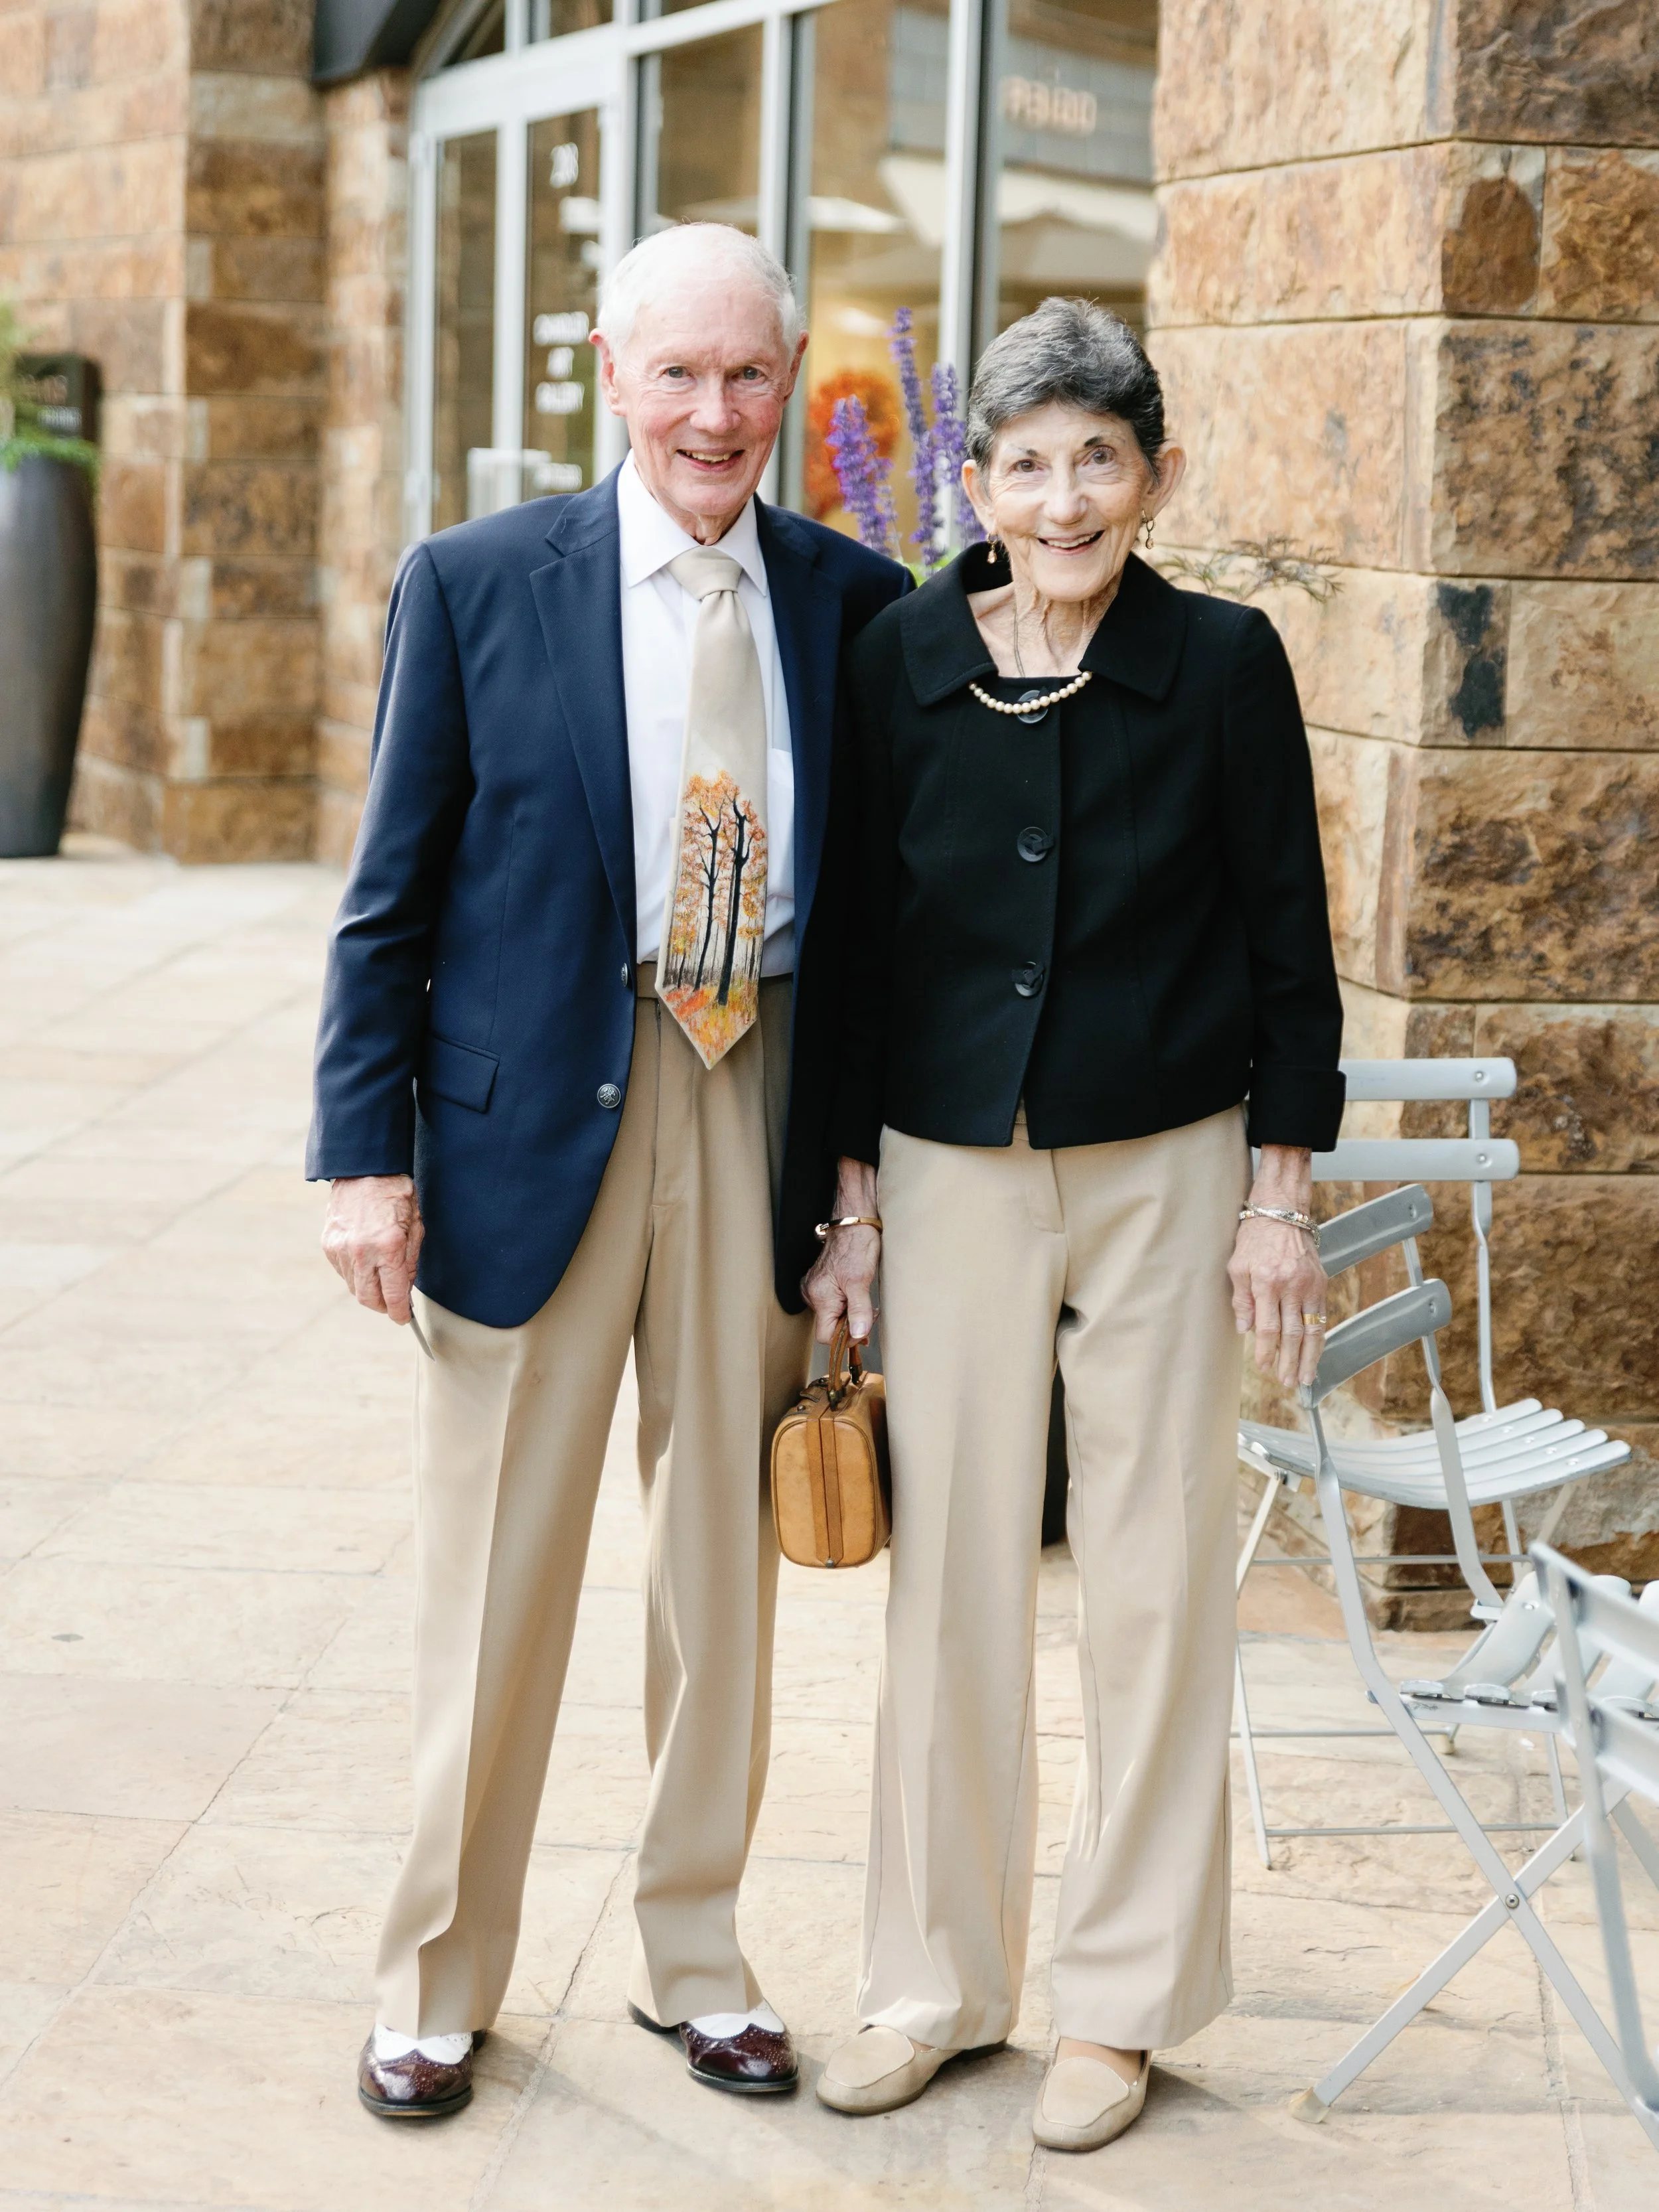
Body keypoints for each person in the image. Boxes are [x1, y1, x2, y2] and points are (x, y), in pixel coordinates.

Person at [308, 223, 909, 2119]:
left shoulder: (856, 598)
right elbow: (384, 900)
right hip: (524, 1123)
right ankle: (434, 1975)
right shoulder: (478, 583)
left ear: (788, 382)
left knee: (714, 1579)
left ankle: (695, 1950)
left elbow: (882, 925)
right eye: (679, 373)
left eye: (750, 375)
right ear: (606, 370)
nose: (716, 414)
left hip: (757, 1103)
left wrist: (855, 1190)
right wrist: (359, 1157)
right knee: (497, 1577)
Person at [803, 296, 1344, 2153]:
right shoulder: (894, 661)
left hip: (1169, 1155)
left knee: (1148, 1568)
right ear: (973, 478)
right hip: (945, 1154)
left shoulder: (1221, 663)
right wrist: (850, 1203)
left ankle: (1117, 2005)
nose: (1061, 497)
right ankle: (935, 1980)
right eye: (1025, 461)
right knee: (947, 1574)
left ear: (1152, 474)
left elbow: (1293, 948)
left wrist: (1280, 1196)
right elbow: (858, 952)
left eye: (1097, 458)